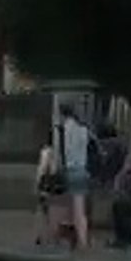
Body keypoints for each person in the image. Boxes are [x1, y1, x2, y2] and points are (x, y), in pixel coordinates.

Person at [52, 103, 93, 248]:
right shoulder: (84, 129)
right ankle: (74, 238)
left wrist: (54, 170)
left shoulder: (62, 129)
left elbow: (59, 154)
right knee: (76, 207)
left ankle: (80, 241)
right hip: (83, 170)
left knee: (72, 209)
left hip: (70, 171)